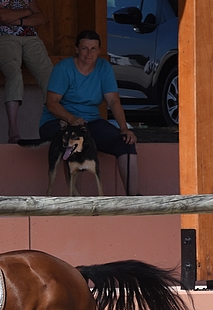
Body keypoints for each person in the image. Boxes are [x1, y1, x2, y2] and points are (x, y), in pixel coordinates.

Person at [40, 29, 139, 195]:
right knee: (74, 140)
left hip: (90, 121)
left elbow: (113, 101)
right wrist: (71, 119)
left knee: (126, 143)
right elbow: (51, 103)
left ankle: (135, 199)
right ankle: (75, 199)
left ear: (99, 50)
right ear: (77, 49)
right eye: (84, 48)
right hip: (58, 120)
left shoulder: (103, 67)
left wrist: (124, 128)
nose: (89, 53)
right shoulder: (64, 68)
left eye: (93, 48)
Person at [0, 0, 52, 143]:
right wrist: (27, 12)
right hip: (2, 36)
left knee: (50, 74)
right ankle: (13, 130)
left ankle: (57, 123)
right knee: (14, 73)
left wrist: (17, 21)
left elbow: (41, 18)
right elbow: (2, 16)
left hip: (30, 38)